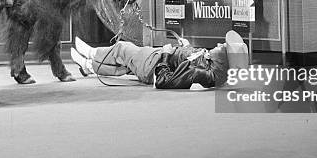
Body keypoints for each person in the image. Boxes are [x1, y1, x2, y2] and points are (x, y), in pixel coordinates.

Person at [70, 31, 248, 89]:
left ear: (224, 60)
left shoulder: (202, 72)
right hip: (154, 62)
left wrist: (165, 54)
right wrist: (185, 45)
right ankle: (89, 66)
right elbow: (190, 58)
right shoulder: (210, 65)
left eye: (223, 47)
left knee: (122, 48)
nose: (219, 44)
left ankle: (92, 53)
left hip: (155, 64)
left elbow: (164, 81)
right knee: (123, 67)